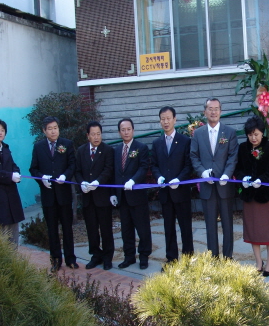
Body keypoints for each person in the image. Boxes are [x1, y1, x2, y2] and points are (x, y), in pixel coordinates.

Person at [190, 98, 239, 258]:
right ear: (205, 112)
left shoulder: (229, 132)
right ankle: (214, 258)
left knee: (227, 224)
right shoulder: (198, 133)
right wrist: (202, 172)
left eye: (216, 109)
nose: (213, 112)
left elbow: (232, 156)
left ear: (220, 111)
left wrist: (226, 174)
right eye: (210, 109)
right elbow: (194, 156)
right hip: (207, 187)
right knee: (210, 225)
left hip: (224, 186)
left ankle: (228, 258)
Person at [29, 116, 78, 272]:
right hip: (48, 195)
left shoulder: (67, 144)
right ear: (44, 131)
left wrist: (65, 176)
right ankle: (55, 260)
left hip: (64, 194)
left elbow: (72, 164)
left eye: (55, 128)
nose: (53, 131)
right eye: (50, 129)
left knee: (67, 228)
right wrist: (41, 179)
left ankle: (71, 259)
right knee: (52, 229)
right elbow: (33, 169)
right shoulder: (38, 147)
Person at [234, 116, 269, 276]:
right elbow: (238, 168)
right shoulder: (243, 148)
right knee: (253, 229)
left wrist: (262, 180)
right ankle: (258, 261)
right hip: (250, 195)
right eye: (250, 135)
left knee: (267, 230)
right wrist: (243, 179)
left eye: (256, 134)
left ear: (262, 133)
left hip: (265, 195)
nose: (253, 138)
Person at [151, 106, 194, 263]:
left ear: (175, 119)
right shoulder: (157, 143)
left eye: (168, 118)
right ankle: (171, 260)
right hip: (165, 194)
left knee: (185, 228)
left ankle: (188, 260)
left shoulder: (185, 141)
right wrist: (158, 177)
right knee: (168, 229)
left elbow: (189, 165)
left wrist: (179, 179)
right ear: (160, 121)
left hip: (181, 192)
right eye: (163, 119)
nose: (166, 122)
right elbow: (154, 165)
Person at [110, 118, 152, 270]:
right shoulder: (116, 150)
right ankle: (129, 257)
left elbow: (143, 167)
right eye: (123, 130)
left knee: (142, 229)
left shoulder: (141, 147)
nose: (126, 132)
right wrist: (113, 193)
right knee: (126, 230)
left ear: (133, 130)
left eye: (128, 129)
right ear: (119, 132)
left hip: (137, 196)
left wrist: (133, 180)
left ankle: (144, 256)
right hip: (122, 197)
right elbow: (114, 173)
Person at [75, 121, 115, 270]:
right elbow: (77, 171)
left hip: (102, 197)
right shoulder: (81, 151)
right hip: (88, 198)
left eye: (98, 134)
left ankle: (107, 257)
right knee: (91, 229)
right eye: (93, 134)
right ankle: (96, 255)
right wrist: (81, 183)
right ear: (88, 136)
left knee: (106, 229)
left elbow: (108, 170)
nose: (96, 137)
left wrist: (98, 181)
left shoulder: (107, 150)